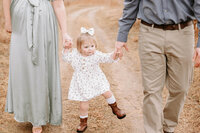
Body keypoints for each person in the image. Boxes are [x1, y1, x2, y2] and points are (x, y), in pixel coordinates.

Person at [115, 0, 200, 133]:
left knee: (181, 88)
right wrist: (122, 36)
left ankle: (168, 127)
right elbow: (131, 4)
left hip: (183, 33)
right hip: (150, 33)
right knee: (151, 90)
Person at [3, 0, 72, 132]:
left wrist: (64, 33)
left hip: (44, 19)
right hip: (20, 17)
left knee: (40, 67)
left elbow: (58, 4)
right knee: (22, 65)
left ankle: (38, 117)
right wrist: (8, 19)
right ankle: (24, 109)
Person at [62, 27, 126, 133]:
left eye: (92, 46)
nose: (90, 49)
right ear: (79, 48)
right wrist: (66, 49)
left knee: (107, 92)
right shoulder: (74, 54)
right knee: (83, 102)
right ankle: (83, 122)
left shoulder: (96, 55)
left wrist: (115, 54)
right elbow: (65, 58)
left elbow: (107, 58)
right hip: (82, 82)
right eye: (86, 47)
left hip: (96, 79)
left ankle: (115, 108)